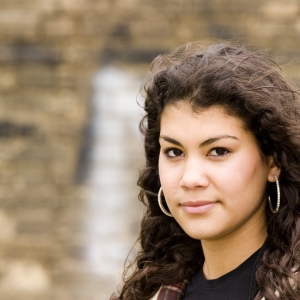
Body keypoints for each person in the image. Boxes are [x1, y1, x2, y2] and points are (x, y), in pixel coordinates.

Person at [111, 42, 300, 300]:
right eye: (174, 152)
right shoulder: (152, 293)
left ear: (272, 161)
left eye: (219, 151)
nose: (190, 179)